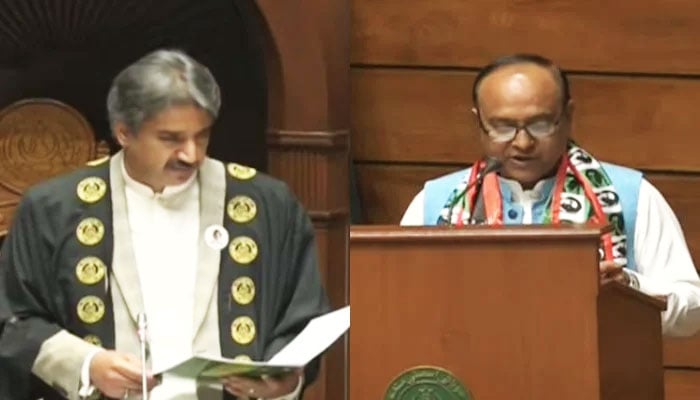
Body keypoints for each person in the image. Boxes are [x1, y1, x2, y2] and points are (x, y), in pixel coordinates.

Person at [0, 49, 330, 399]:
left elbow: (301, 317)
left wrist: (286, 382)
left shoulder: (269, 204)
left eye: (201, 135)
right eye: (171, 139)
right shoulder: (54, 208)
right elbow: (14, 319)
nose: (192, 154)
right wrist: (87, 364)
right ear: (124, 132)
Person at [400, 53, 700, 337]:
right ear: (478, 123)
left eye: (540, 124)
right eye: (503, 127)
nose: (523, 142)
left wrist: (628, 289)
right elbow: (400, 306)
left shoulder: (630, 195)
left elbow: (693, 312)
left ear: (568, 116)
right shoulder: (437, 203)